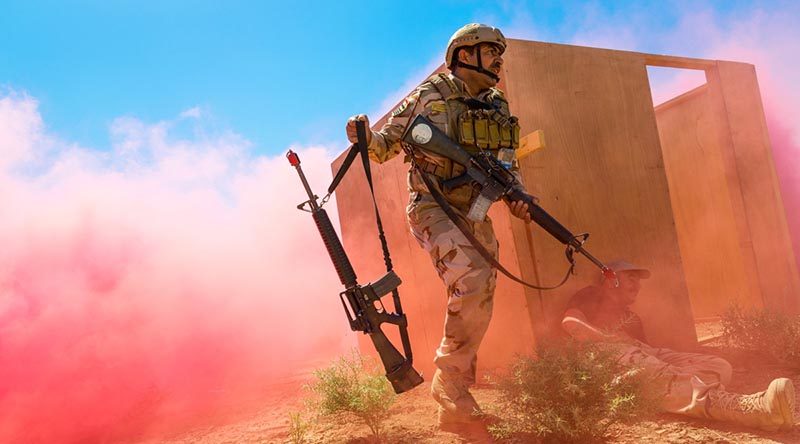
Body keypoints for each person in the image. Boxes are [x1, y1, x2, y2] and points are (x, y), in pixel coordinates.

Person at [345, 23, 534, 428]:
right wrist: (361, 135)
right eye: (490, 51)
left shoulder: (498, 105)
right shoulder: (429, 96)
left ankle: (455, 399)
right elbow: (382, 148)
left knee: (481, 291)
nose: (498, 59)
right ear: (465, 55)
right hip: (432, 205)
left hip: (474, 210)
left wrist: (517, 195)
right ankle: (449, 386)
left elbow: (505, 162)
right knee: (473, 275)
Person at [561, 260, 796, 431]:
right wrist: (607, 338)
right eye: (631, 276)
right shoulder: (591, 296)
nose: (638, 285)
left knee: (720, 365)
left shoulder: (633, 319)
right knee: (658, 374)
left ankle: (676, 392)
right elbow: (571, 323)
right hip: (603, 355)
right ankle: (751, 410)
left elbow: (652, 361)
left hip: (638, 353)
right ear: (610, 278)